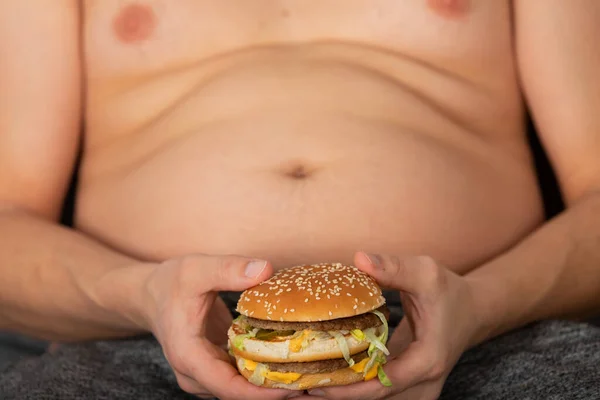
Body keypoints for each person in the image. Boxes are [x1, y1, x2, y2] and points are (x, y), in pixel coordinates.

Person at [0, 1, 599, 399]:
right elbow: (9, 224)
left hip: (494, 328)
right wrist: (138, 294)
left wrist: (483, 305)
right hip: (135, 332)